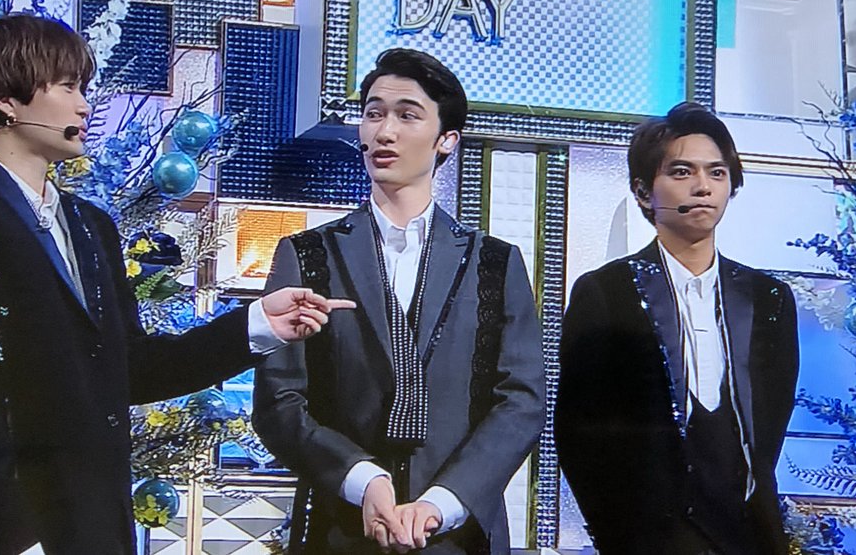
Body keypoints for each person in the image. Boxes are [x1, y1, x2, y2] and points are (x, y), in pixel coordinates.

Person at [0, 13, 353, 554]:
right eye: (67, 87)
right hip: (5, 536)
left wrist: (259, 323)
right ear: (5, 99)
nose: (84, 106)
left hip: (96, 527)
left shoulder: (90, 224)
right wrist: (12, 542)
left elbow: (132, 370)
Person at [252, 48, 545, 554]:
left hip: (459, 534)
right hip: (338, 528)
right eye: (373, 114)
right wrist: (361, 479)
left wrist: (443, 502)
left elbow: (521, 400)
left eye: (407, 115)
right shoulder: (308, 254)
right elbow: (279, 400)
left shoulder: (494, 263)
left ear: (446, 139)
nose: (384, 132)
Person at [555, 103, 799, 554]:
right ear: (643, 191)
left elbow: (771, 423)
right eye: (682, 172)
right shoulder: (606, 292)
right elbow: (577, 431)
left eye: (717, 173)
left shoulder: (769, 298)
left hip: (749, 534)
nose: (703, 187)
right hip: (645, 537)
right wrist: (617, 532)